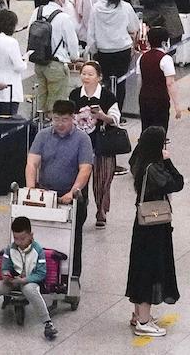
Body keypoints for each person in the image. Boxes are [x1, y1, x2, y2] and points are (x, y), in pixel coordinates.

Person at [26, 100, 94, 278]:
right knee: (42, 233)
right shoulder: (43, 135)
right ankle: (41, 271)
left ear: (73, 118)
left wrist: (72, 193)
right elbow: (32, 163)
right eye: (56, 119)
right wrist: (31, 189)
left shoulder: (82, 139)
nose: (60, 124)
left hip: (73, 197)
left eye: (64, 119)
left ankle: (72, 275)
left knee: (72, 238)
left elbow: (85, 169)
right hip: (46, 194)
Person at [126, 126, 181, 337]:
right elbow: (177, 183)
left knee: (140, 268)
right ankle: (143, 321)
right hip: (154, 226)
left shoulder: (139, 163)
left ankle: (138, 313)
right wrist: (168, 161)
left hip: (143, 225)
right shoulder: (154, 168)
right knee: (150, 269)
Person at [0, 216, 59, 339]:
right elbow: (5, 267)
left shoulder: (38, 251)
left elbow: (41, 273)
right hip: (14, 280)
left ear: (31, 236)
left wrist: (25, 280)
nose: (19, 242)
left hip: (31, 281)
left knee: (30, 290)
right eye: (16, 238)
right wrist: (6, 275)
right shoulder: (9, 249)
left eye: (23, 238)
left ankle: (48, 323)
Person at [69, 61, 121, 229]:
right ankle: (80, 210)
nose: (86, 77)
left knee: (102, 180)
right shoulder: (75, 95)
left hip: (101, 145)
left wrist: (102, 116)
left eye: (90, 74)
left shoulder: (107, 96)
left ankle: (101, 210)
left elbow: (115, 119)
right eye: (84, 73)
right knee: (79, 180)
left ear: (99, 77)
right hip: (78, 145)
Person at [86, 0, 139, 110]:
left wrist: (93, 51)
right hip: (123, 51)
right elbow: (134, 27)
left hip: (104, 52)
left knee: (104, 83)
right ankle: (117, 113)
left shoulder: (96, 8)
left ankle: (104, 112)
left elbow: (91, 33)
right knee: (120, 83)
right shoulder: (126, 7)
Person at [28, 0, 80, 114]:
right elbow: (72, 44)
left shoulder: (37, 12)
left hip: (39, 63)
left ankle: (38, 128)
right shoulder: (63, 17)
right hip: (56, 65)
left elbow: (30, 33)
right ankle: (52, 129)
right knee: (57, 105)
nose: (67, 0)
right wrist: (75, 58)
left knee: (40, 101)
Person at [137, 26, 183, 133]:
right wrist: (177, 105)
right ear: (164, 42)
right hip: (160, 99)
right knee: (160, 130)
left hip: (144, 98)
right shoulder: (166, 59)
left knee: (146, 129)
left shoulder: (141, 58)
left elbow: (140, 80)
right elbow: (170, 83)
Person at [0, 10, 28, 115]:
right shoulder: (11, 42)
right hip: (10, 88)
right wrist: (25, 60)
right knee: (9, 125)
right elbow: (18, 66)